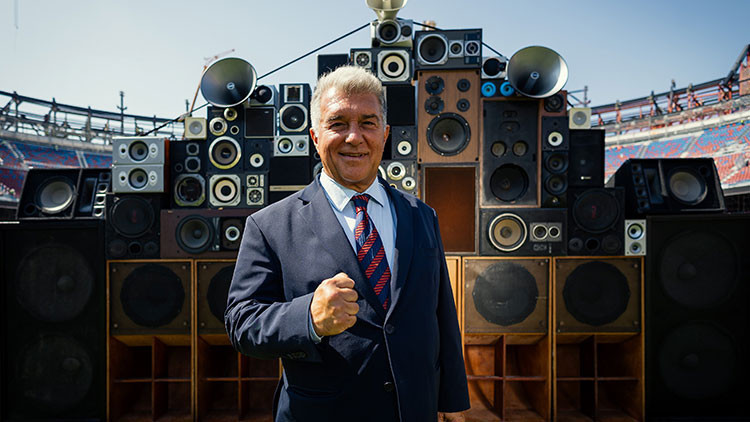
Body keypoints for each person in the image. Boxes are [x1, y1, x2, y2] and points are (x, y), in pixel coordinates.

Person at [225, 65, 469, 421]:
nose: (354, 137)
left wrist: (452, 400)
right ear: (315, 137)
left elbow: (441, 314)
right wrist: (308, 317)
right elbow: (241, 323)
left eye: (368, 123)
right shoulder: (269, 226)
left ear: (385, 134)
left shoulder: (421, 216)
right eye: (338, 123)